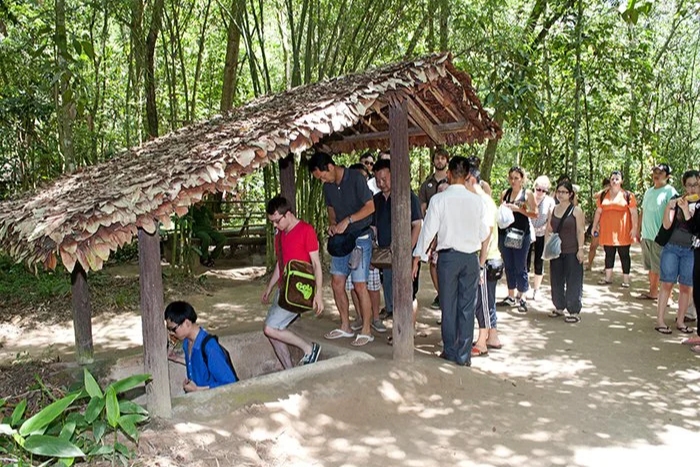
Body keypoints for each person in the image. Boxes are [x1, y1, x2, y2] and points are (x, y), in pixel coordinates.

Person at [412, 156, 490, 367]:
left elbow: (428, 232)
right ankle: (463, 355)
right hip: (470, 258)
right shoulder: (477, 201)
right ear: (467, 176)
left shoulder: (439, 200)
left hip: (448, 258)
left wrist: (418, 257)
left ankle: (450, 350)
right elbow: (484, 233)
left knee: (448, 304)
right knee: (466, 306)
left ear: (448, 173)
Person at [308, 152, 376, 346]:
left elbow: (370, 207)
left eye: (322, 176)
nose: (322, 180)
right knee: (337, 282)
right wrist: (333, 223)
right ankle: (345, 326)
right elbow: (331, 210)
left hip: (361, 236)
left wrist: (349, 220)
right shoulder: (328, 187)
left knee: (359, 284)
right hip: (341, 238)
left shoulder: (355, 177)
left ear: (330, 167)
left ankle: (366, 330)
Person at [261, 196, 324, 368]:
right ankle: (289, 369)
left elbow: (316, 264)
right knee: (272, 332)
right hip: (284, 289)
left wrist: (318, 294)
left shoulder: (306, 230)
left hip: (299, 291)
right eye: (272, 222)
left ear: (287, 214)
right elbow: (280, 264)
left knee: (270, 328)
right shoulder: (280, 235)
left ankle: (309, 349)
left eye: (276, 221)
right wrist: (270, 287)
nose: (275, 225)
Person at [371, 159, 423, 344]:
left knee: (408, 293)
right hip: (386, 256)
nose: (381, 183)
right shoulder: (376, 200)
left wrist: (406, 250)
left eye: (384, 178)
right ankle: (399, 329)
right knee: (392, 294)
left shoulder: (408, 196)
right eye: (378, 179)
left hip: (406, 255)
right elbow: (374, 227)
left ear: (394, 175)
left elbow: (417, 225)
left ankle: (407, 330)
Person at [654, 170, 699, 335]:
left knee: (687, 287)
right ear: (684, 186)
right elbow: (666, 225)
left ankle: (680, 321)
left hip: (691, 250)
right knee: (667, 283)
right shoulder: (678, 200)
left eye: (695, 184)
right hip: (672, 247)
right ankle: (660, 320)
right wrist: (669, 207)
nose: (692, 189)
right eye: (689, 185)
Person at [467, 157, 502, 356]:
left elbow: (486, 234)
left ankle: (481, 342)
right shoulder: (486, 200)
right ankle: (493, 336)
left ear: (471, 179)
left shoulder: (483, 201)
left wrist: (480, 263)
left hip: (487, 259)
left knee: (483, 301)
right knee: (488, 299)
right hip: (490, 257)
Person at [165, 301, 238, 392]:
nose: (171, 333)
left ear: (187, 323)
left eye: (173, 329)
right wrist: (176, 358)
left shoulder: (210, 347)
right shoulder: (186, 342)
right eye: (168, 329)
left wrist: (198, 389)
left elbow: (230, 382)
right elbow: (198, 363)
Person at [346, 163, 385, 332]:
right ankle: (360, 317)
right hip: (350, 245)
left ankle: (375, 318)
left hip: (369, 244)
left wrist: (374, 247)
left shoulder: (372, 197)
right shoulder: (345, 198)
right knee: (353, 284)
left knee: (372, 285)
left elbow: (375, 225)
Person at [498, 166, 537, 312]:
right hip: (505, 234)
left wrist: (519, 209)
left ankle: (523, 296)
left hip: (521, 234)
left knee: (520, 265)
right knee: (509, 264)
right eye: (511, 178)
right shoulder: (505, 193)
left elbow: (535, 214)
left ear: (522, 179)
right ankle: (510, 295)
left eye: (516, 178)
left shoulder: (527, 194)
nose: (513, 181)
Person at [546, 181, 586, 323]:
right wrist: (546, 247)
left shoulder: (576, 211)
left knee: (573, 280)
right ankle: (559, 306)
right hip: (557, 251)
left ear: (570, 194)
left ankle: (574, 310)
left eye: (564, 192)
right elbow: (549, 229)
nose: (561, 195)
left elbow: (580, 231)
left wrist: (580, 250)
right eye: (559, 192)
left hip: (572, 250)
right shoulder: (553, 209)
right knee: (556, 279)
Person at [591, 170, 639, 287]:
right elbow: (598, 211)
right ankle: (608, 278)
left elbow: (633, 213)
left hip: (623, 231)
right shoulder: (603, 196)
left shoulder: (628, 196)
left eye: (617, 178)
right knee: (609, 254)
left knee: (624, 255)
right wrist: (594, 226)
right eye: (612, 179)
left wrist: (635, 228)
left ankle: (626, 280)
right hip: (608, 231)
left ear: (621, 181)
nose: (614, 181)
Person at [639, 163, 677, 300]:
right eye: (655, 172)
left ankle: (668, 296)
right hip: (647, 235)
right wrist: (638, 230)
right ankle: (653, 292)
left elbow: (674, 214)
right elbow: (643, 211)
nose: (656, 175)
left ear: (667, 176)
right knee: (651, 267)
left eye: (660, 173)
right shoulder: (648, 191)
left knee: (664, 268)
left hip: (661, 237)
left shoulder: (670, 192)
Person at [418, 148, 450, 311]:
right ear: (433, 161)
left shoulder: (452, 181)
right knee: (433, 262)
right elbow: (422, 207)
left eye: (443, 159)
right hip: (433, 228)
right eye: (437, 158)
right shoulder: (427, 184)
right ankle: (441, 294)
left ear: (447, 161)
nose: (440, 161)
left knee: (447, 261)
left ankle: (448, 294)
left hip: (450, 227)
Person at [528, 175, 555, 300]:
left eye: (544, 190)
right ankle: (524, 288)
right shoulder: (528, 197)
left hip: (541, 234)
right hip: (527, 233)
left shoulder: (550, 201)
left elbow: (550, 221)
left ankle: (536, 289)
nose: (541, 192)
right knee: (524, 261)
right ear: (534, 187)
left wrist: (547, 238)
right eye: (539, 189)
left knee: (539, 262)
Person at [191, 201, 226, 267]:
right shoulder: (191, 210)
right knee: (206, 238)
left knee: (222, 239)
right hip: (198, 230)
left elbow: (213, 215)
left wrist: (222, 215)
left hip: (209, 229)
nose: (201, 200)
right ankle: (204, 258)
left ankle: (212, 257)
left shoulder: (204, 208)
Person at [587, 178, 610, 270]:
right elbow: (595, 196)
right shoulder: (601, 196)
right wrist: (605, 189)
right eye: (606, 185)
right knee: (593, 246)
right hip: (598, 225)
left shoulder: (615, 196)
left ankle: (607, 267)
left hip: (608, 225)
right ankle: (589, 265)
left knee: (607, 248)